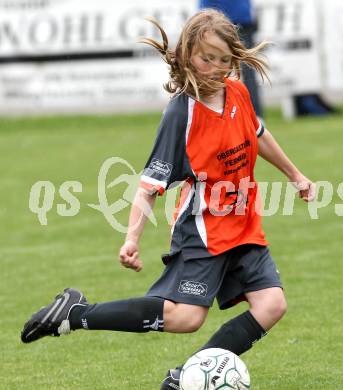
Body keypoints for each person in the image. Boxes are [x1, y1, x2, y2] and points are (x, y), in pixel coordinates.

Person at [20, 9, 316, 390]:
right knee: (186, 317)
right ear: (187, 53)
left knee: (272, 305)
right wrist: (131, 239)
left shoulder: (238, 93)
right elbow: (149, 184)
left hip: (244, 227)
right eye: (207, 58)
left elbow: (258, 134)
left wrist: (295, 175)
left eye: (224, 60)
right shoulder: (182, 113)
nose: (216, 68)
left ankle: (186, 378)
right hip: (203, 233)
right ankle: (75, 314)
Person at [199, 0, 263, 118]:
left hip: (235, 18)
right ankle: (206, 113)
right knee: (206, 69)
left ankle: (255, 117)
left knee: (247, 69)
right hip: (211, 20)